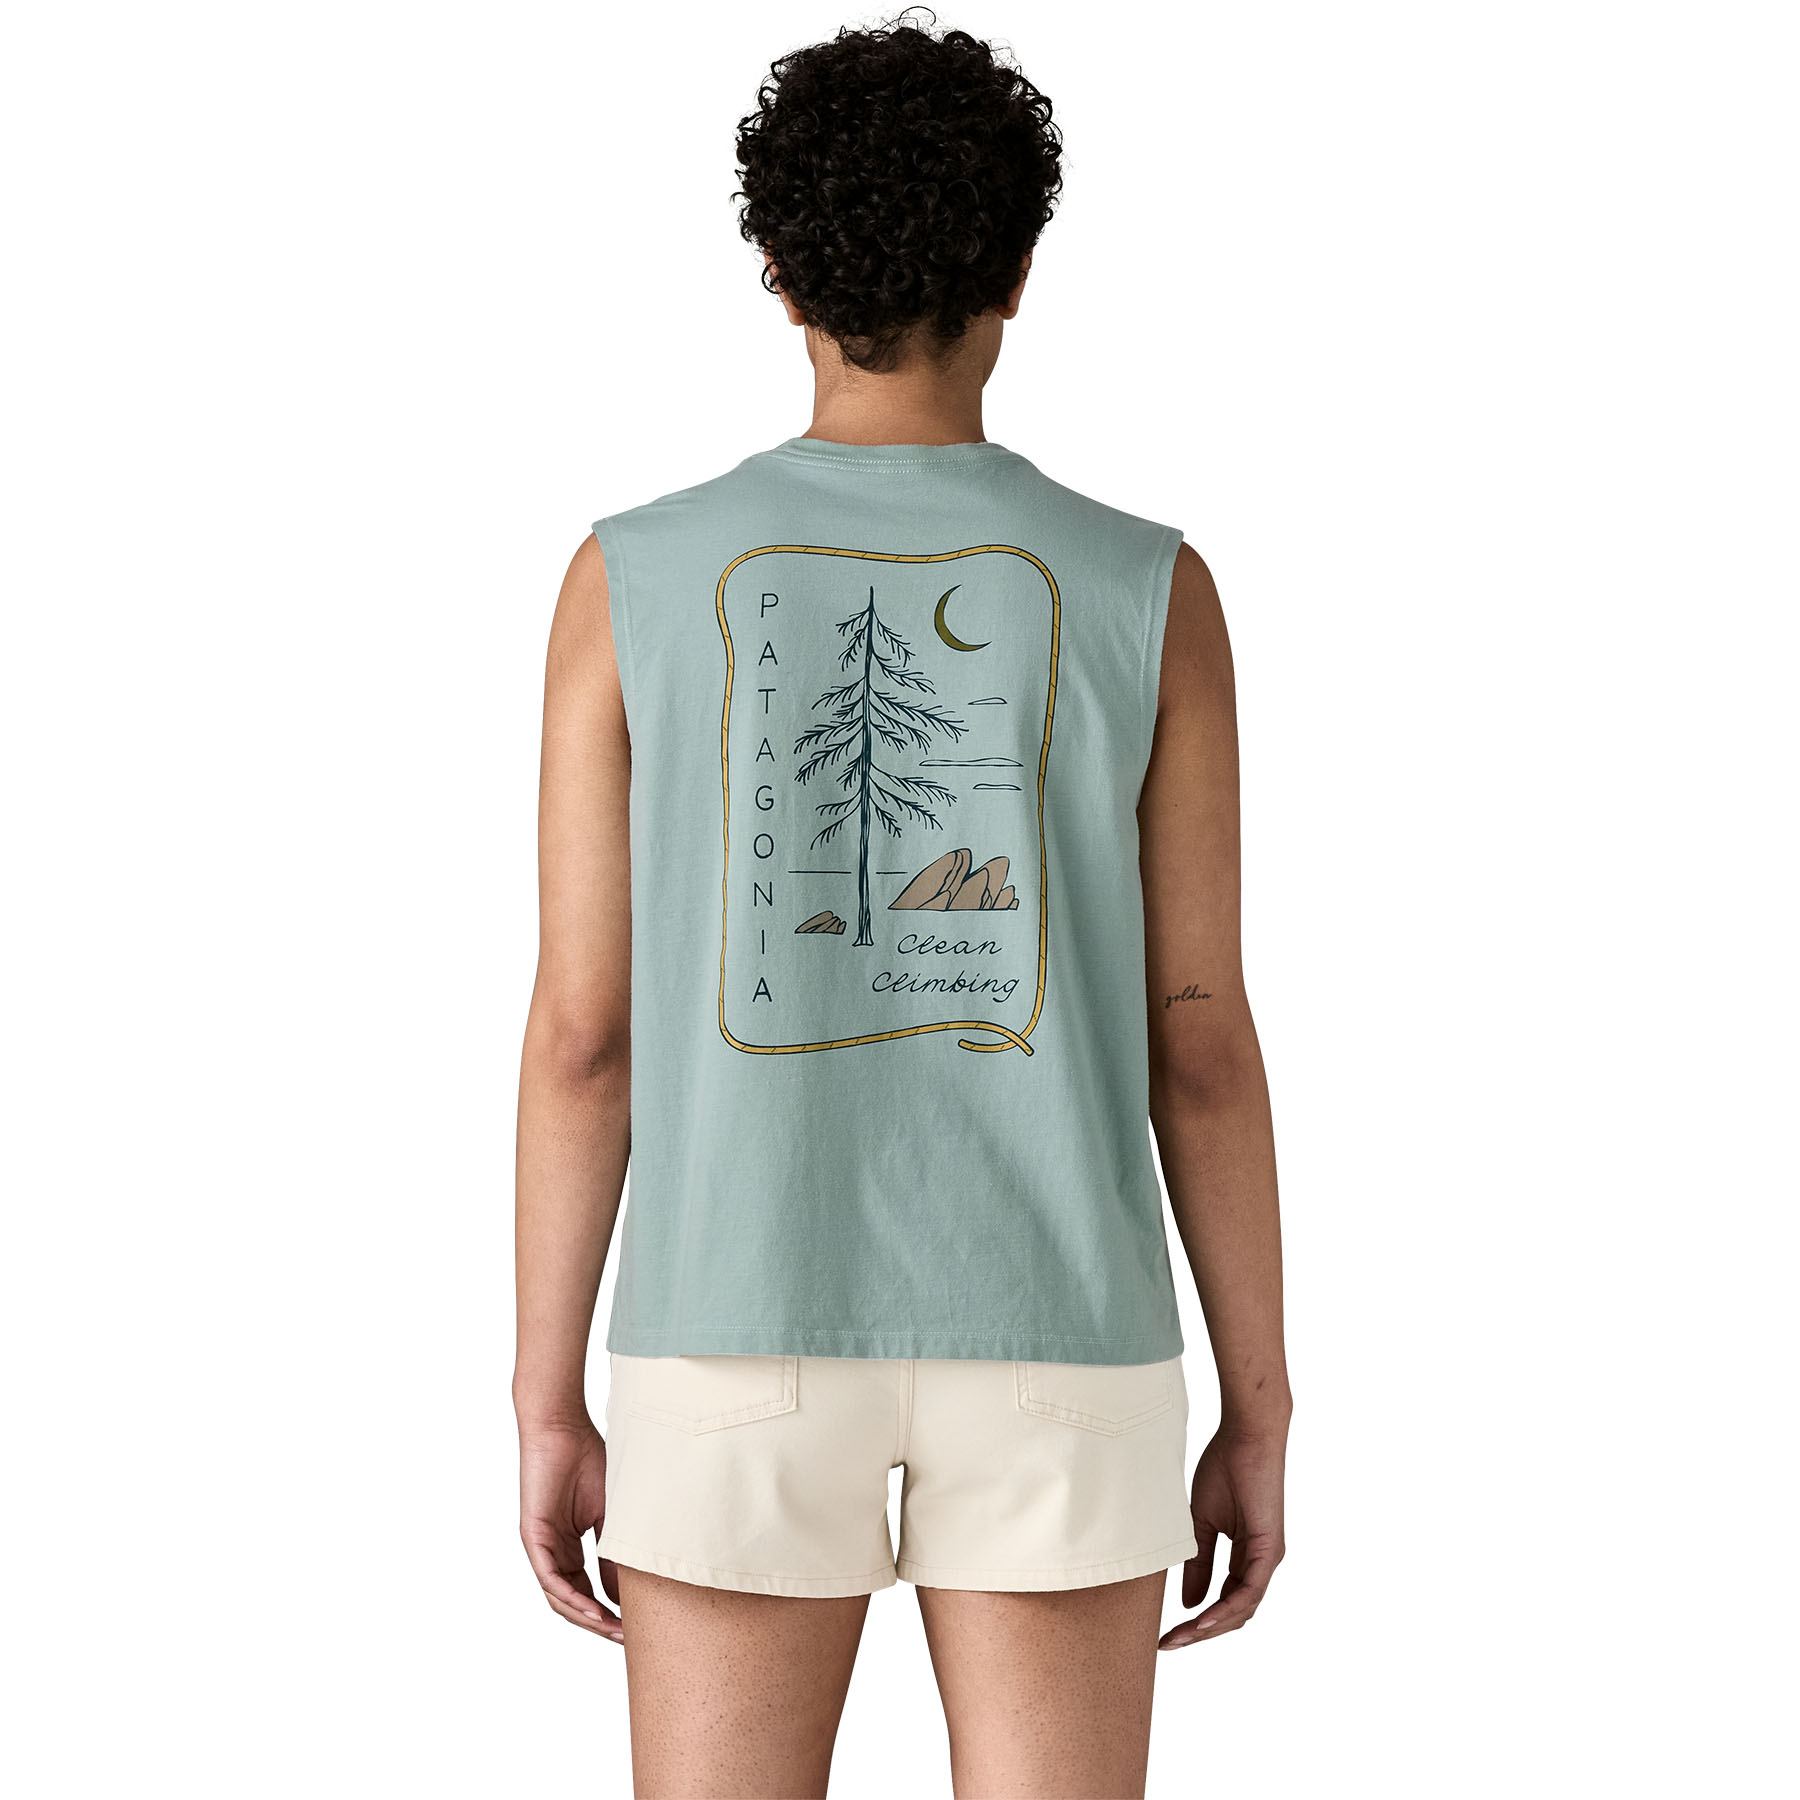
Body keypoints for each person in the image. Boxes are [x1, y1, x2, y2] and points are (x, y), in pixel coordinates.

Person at [514, 17, 1289, 1796]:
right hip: (1065, 1334)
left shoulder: (629, 579)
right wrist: (1260, 1401)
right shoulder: (1150, 590)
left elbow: (584, 1038)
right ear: (1019, 271)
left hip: (728, 1316)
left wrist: (549, 1395)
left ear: (778, 273)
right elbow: (1201, 1049)